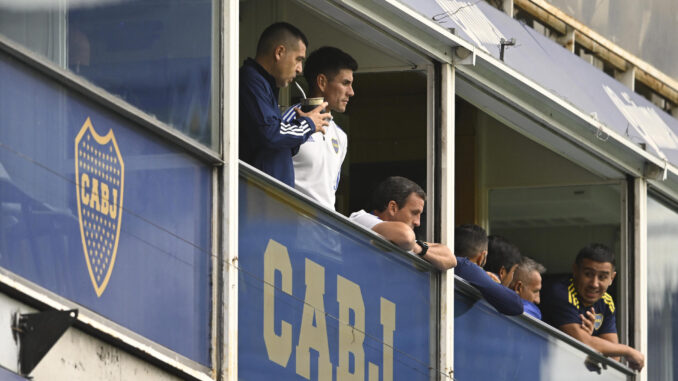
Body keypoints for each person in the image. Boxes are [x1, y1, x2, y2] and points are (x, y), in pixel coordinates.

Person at [239, 22, 330, 186]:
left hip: (267, 199)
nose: (300, 69)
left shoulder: (264, 84)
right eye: (298, 59)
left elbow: (274, 143)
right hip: (256, 197)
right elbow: (269, 132)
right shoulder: (251, 80)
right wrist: (307, 124)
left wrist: (302, 127)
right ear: (279, 52)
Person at [540, 243, 644, 371]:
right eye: (588, 274)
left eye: (602, 277)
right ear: (575, 270)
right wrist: (627, 350)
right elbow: (583, 342)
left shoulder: (606, 302)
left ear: (612, 278)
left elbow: (614, 356)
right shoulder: (560, 293)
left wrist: (592, 340)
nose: (594, 284)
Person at [282, 47, 357, 209]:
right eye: (345, 83)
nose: (351, 92)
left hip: (322, 230)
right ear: (322, 82)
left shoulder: (341, 137)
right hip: (288, 226)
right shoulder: (289, 120)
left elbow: (330, 191)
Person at [348, 176, 455, 271]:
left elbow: (450, 258)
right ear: (393, 207)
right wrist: (416, 247)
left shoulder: (403, 240)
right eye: (414, 213)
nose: (417, 222)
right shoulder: (360, 218)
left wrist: (419, 249)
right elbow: (406, 237)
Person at [453, 224, 524, 315]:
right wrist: (488, 280)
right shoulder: (464, 266)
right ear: (482, 257)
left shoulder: (444, 260)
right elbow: (516, 305)